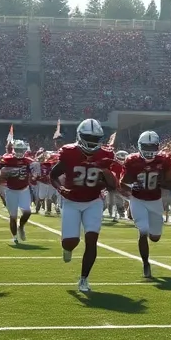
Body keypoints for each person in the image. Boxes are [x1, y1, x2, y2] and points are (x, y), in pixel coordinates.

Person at [51, 119, 117, 291]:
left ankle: (83, 279)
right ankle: (67, 248)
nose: (93, 141)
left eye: (96, 138)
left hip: (93, 200)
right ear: (80, 136)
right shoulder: (69, 152)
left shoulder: (106, 155)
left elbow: (112, 186)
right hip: (72, 200)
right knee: (70, 242)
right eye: (88, 137)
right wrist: (61, 189)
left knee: (91, 239)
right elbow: (53, 175)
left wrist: (105, 172)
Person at [120, 130, 171, 279]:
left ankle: (148, 251)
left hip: (155, 200)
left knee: (155, 237)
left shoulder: (163, 160)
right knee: (143, 230)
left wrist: (164, 181)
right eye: (146, 147)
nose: (149, 151)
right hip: (137, 199)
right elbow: (123, 183)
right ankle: (146, 263)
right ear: (140, 146)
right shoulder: (132, 160)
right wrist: (131, 190)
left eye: (152, 147)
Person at [0, 140, 35, 245]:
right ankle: (15, 237)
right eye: (18, 149)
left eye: (21, 150)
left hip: (24, 189)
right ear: (14, 149)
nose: (20, 151)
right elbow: (0, 177)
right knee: (13, 216)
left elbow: (33, 175)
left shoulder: (28, 161)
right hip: (11, 190)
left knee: (27, 212)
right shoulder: (7, 159)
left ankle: (21, 226)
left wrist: (34, 176)